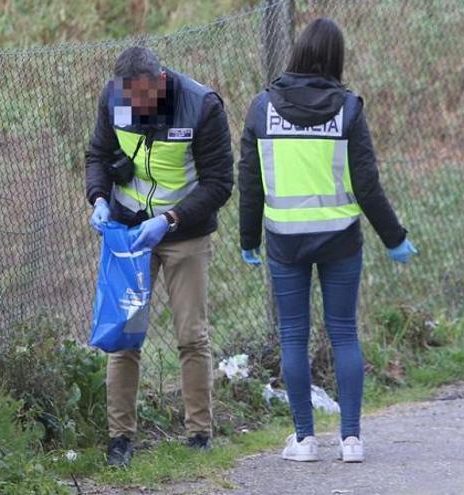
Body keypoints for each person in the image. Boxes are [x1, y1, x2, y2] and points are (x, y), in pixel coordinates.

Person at [238, 18, 417, 463]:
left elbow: (250, 181)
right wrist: (394, 238)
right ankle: (351, 440)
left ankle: (303, 441)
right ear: (336, 58)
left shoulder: (262, 108)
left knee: (293, 337)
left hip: (285, 241)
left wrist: (248, 238)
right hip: (340, 239)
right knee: (344, 334)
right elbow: (367, 184)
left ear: (296, 52)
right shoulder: (348, 109)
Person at [85, 46, 234, 467]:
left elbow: (220, 183)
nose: (137, 108)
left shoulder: (202, 107)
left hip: (183, 232)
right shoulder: (112, 99)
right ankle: (120, 441)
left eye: (144, 100)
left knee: (191, 335)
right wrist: (98, 198)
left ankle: (199, 436)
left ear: (162, 82)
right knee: (124, 336)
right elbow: (97, 155)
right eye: (130, 100)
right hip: (130, 234)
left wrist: (169, 219)